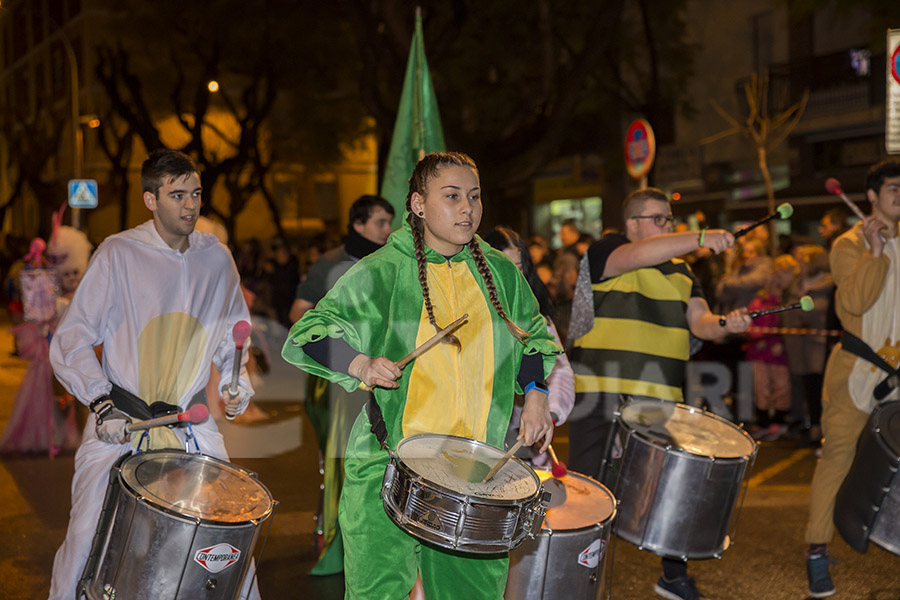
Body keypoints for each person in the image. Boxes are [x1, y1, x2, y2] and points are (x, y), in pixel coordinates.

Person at [282, 151, 560, 600]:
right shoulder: (381, 271)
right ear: (417, 204)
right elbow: (307, 334)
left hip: (474, 475)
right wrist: (361, 364)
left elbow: (535, 340)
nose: (467, 208)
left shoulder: (502, 274)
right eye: (451, 196)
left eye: (474, 197)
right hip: (386, 468)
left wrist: (535, 395)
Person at [47, 149, 259, 600]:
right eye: (177, 194)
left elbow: (230, 335)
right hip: (122, 421)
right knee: (88, 533)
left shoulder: (216, 258)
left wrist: (234, 384)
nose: (190, 205)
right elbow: (72, 338)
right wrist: (101, 403)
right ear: (150, 200)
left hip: (192, 424)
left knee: (225, 536)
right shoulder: (118, 253)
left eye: (196, 193)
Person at [567, 187, 751, 600]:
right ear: (632, 224)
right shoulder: (606, 251)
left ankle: (673, 575)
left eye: (670, 220)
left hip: (659, 394)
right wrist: (702, 238)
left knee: (666, 488)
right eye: (659, 220)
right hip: (600, 389)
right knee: (586, 491)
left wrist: (727, 324)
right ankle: (575, 580)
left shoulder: (684, 271)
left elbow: (701, 323)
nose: (669, 226)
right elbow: (639, 256)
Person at [804, 157, 900, 598]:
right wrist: (875, 254)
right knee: (838, 458)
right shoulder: (848, 245)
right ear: (872, 197)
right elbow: (854, 306)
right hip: (856, 374)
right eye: (893, 189)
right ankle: (817, 551)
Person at [287, 194, 394, 575]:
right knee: (344, 462)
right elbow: (299, 315)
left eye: (389, 223)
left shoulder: (393, 263)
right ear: (358, 224)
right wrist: (346, 336)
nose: (386, 231)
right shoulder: (330, 264)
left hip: (385, 379)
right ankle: (339, 541)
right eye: (380, 223)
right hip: (341, 380)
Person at [483, 225, 576, 463]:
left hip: (522, 449)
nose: (514, 280)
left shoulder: (537, 320)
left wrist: (548, 412)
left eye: (519, 270)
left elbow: (560, 370)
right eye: (504, 269)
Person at [746, 254, 798, 441]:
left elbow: (784, 324)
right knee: (761, 387)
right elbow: (752, 324)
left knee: (781, 386)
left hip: (778, 351)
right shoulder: (761, 301)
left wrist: (777, 341)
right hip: (759, 351)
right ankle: (763, 421)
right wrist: (759, 337)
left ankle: (779, 420)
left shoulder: (786, 300)